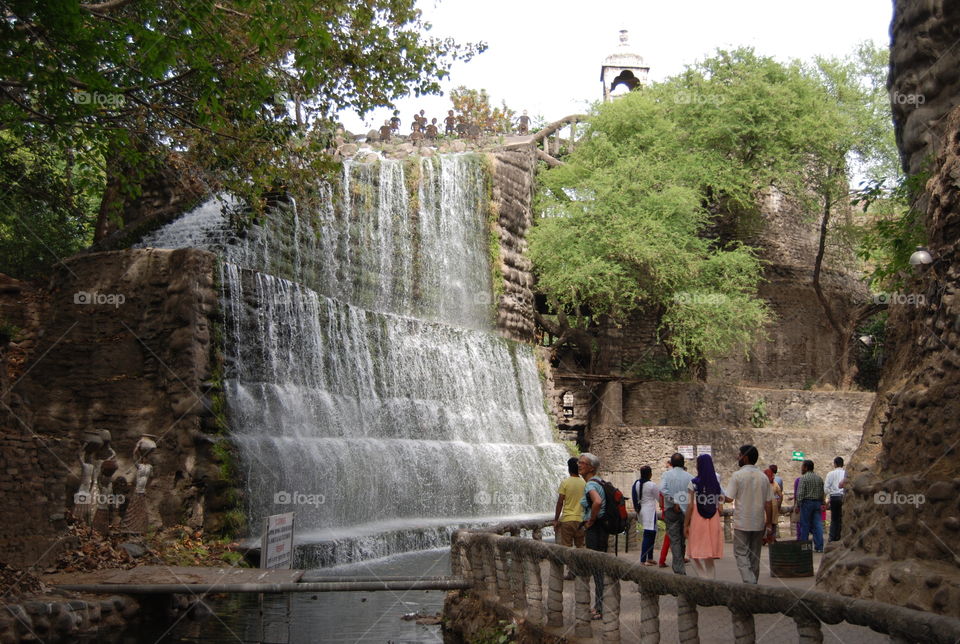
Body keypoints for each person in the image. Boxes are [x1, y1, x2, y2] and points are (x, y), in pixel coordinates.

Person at [724, 445, 774, 584]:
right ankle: (754, 584)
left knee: (740, 553)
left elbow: (729, 498)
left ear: (745, 458)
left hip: (742, 521)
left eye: (739, 455)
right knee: (754, 556)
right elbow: (769, 503)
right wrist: (768, 523)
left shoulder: (737, 475)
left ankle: (749, 581)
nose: (737, 458)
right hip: (758, 522)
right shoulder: (763, 477)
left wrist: (717, 496)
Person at [684, 454, 724, 579]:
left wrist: (685, 524)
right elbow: (721, 501)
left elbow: (690, 506)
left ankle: (703, 578)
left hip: (697, 519)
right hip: (713, 519)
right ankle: (711, 581)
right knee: (709, 556)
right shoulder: (716, 484)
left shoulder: (694, 483)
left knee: (692, 553)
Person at [578, 452, 606, 620]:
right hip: (602, 529)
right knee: (599, 568)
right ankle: (599, 605)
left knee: (597, 568)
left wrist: (590, 520)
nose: (579, 465)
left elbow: (597, 502)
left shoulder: (590, 485)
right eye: (579, 462)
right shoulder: (600, 481)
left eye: (583, 463)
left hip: (596, 530)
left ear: (591, 468)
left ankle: (599, 608)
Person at [660, 453, 694, 574]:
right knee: (682, 540)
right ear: (683, 463)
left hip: (671, 511)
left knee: (674, 540)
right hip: (685, 512)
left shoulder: (666, 475)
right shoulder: (690, 477)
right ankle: (680, 565)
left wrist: (674, 501)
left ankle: (679, 568)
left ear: (672, 463)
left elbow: (663, 489)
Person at [553, 456, 586, 579]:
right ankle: (581, 571)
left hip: (567, 520)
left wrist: (556, 519)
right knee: (580, 547)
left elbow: (560, 502)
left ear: (569, 469)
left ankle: (571, 572)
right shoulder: (584, 483)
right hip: (581, 520)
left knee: (567, 548)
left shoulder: (565, 483)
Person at [631, 465, 659, 566]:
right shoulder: (652, 485)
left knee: (651, 534)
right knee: (648, 535)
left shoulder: (636, 483)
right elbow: (659, 498)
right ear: (650, 474)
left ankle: (650, 557)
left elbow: (634, 496)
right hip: (650, 511)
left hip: (641, 510)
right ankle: (643, 560)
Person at [797, 459, 825, 552]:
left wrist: (798, 504)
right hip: (817, 503)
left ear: (806, 467)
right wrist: (823, 503)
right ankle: (819, 547)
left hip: (806, 503)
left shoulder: (804, 478)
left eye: (802, 466)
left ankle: (805, 547)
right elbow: (822, 493)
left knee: (805, 525)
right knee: (817, 525)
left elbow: (800, 493)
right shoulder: (819, 478)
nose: (801, 468)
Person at [824, 457, 846, 542]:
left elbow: (826, 489)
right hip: (843, 497)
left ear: (835, 464)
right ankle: (839, 536)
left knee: (834, 518)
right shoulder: (845, 474)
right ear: (843, 464)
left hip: (833, 497)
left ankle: (832, 537)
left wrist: (830, 494)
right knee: (841, 517)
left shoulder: (830, 474)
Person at [764, 467, 782, 537]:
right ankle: (771, 538)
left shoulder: (764, 484)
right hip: (773, 504)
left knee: (767, 522)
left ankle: (766, 538)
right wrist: (779, 505)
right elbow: (781, 495)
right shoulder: (775, 483)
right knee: (772, 522)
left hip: (766, 505)